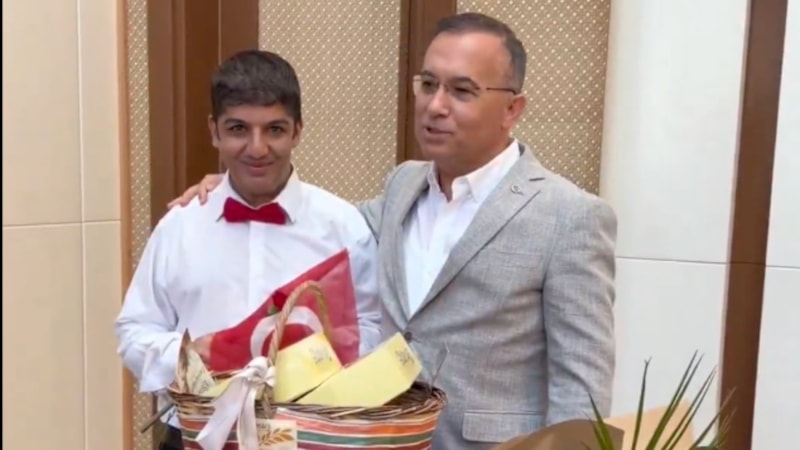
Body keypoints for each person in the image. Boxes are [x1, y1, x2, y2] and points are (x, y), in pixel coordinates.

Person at [170, 13, 617, 449]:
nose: (436, 105)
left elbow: (582, 393)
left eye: (462, 90)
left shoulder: (569, 216)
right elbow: (319, 222)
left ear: (512, 109)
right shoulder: (403, 185)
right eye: (428, 84)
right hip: (386, 439)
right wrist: (237, 186)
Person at [115, 50, 382, 450]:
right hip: (194, 435)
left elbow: (373, 328)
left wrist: (311, 366)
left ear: (297, 131)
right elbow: (134, 330)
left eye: (274, 129)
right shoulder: (179, 226)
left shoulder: (343, 226)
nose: (257, 148)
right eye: (238, 129)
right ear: (215, 131)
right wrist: (192, 355)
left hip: (306, 437)